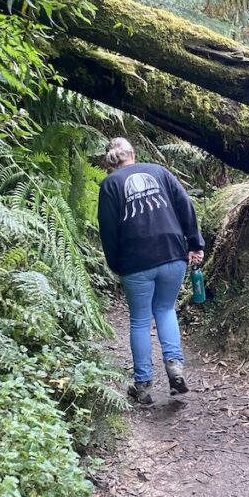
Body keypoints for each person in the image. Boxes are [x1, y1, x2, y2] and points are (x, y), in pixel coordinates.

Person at [98, 137, 205, 405]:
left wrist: (115, 263)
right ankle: (174, 366)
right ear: (133, 154)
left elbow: (108, 230)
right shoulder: (159, 171)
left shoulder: (110, 185)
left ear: (110, 161)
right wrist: (195, 243)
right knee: (166, 309)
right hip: (172, 253)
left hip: (135, 261)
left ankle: (143, 384)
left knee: (140, 320)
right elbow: (185, 206)